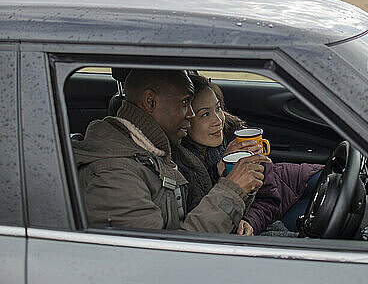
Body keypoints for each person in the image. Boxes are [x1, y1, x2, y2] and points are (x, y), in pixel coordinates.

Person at [72, 68, 269, 233]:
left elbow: (194, 213)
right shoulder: (114, 175)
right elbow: (159, 260)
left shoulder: (156, 150)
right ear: (150, 102)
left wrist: (238, 184)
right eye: (185, 103)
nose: (191, 115)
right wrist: (231, 190)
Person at [182, 74, 323, 236]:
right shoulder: (183, 165)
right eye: (205, 114)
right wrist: (221, 172)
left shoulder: (233, 134)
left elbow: (268, 191)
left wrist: (250, 219)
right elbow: (207, 216)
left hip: (290, 184)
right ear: (186, 120)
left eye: (218, 108)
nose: (218, 120)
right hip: (274, 205)